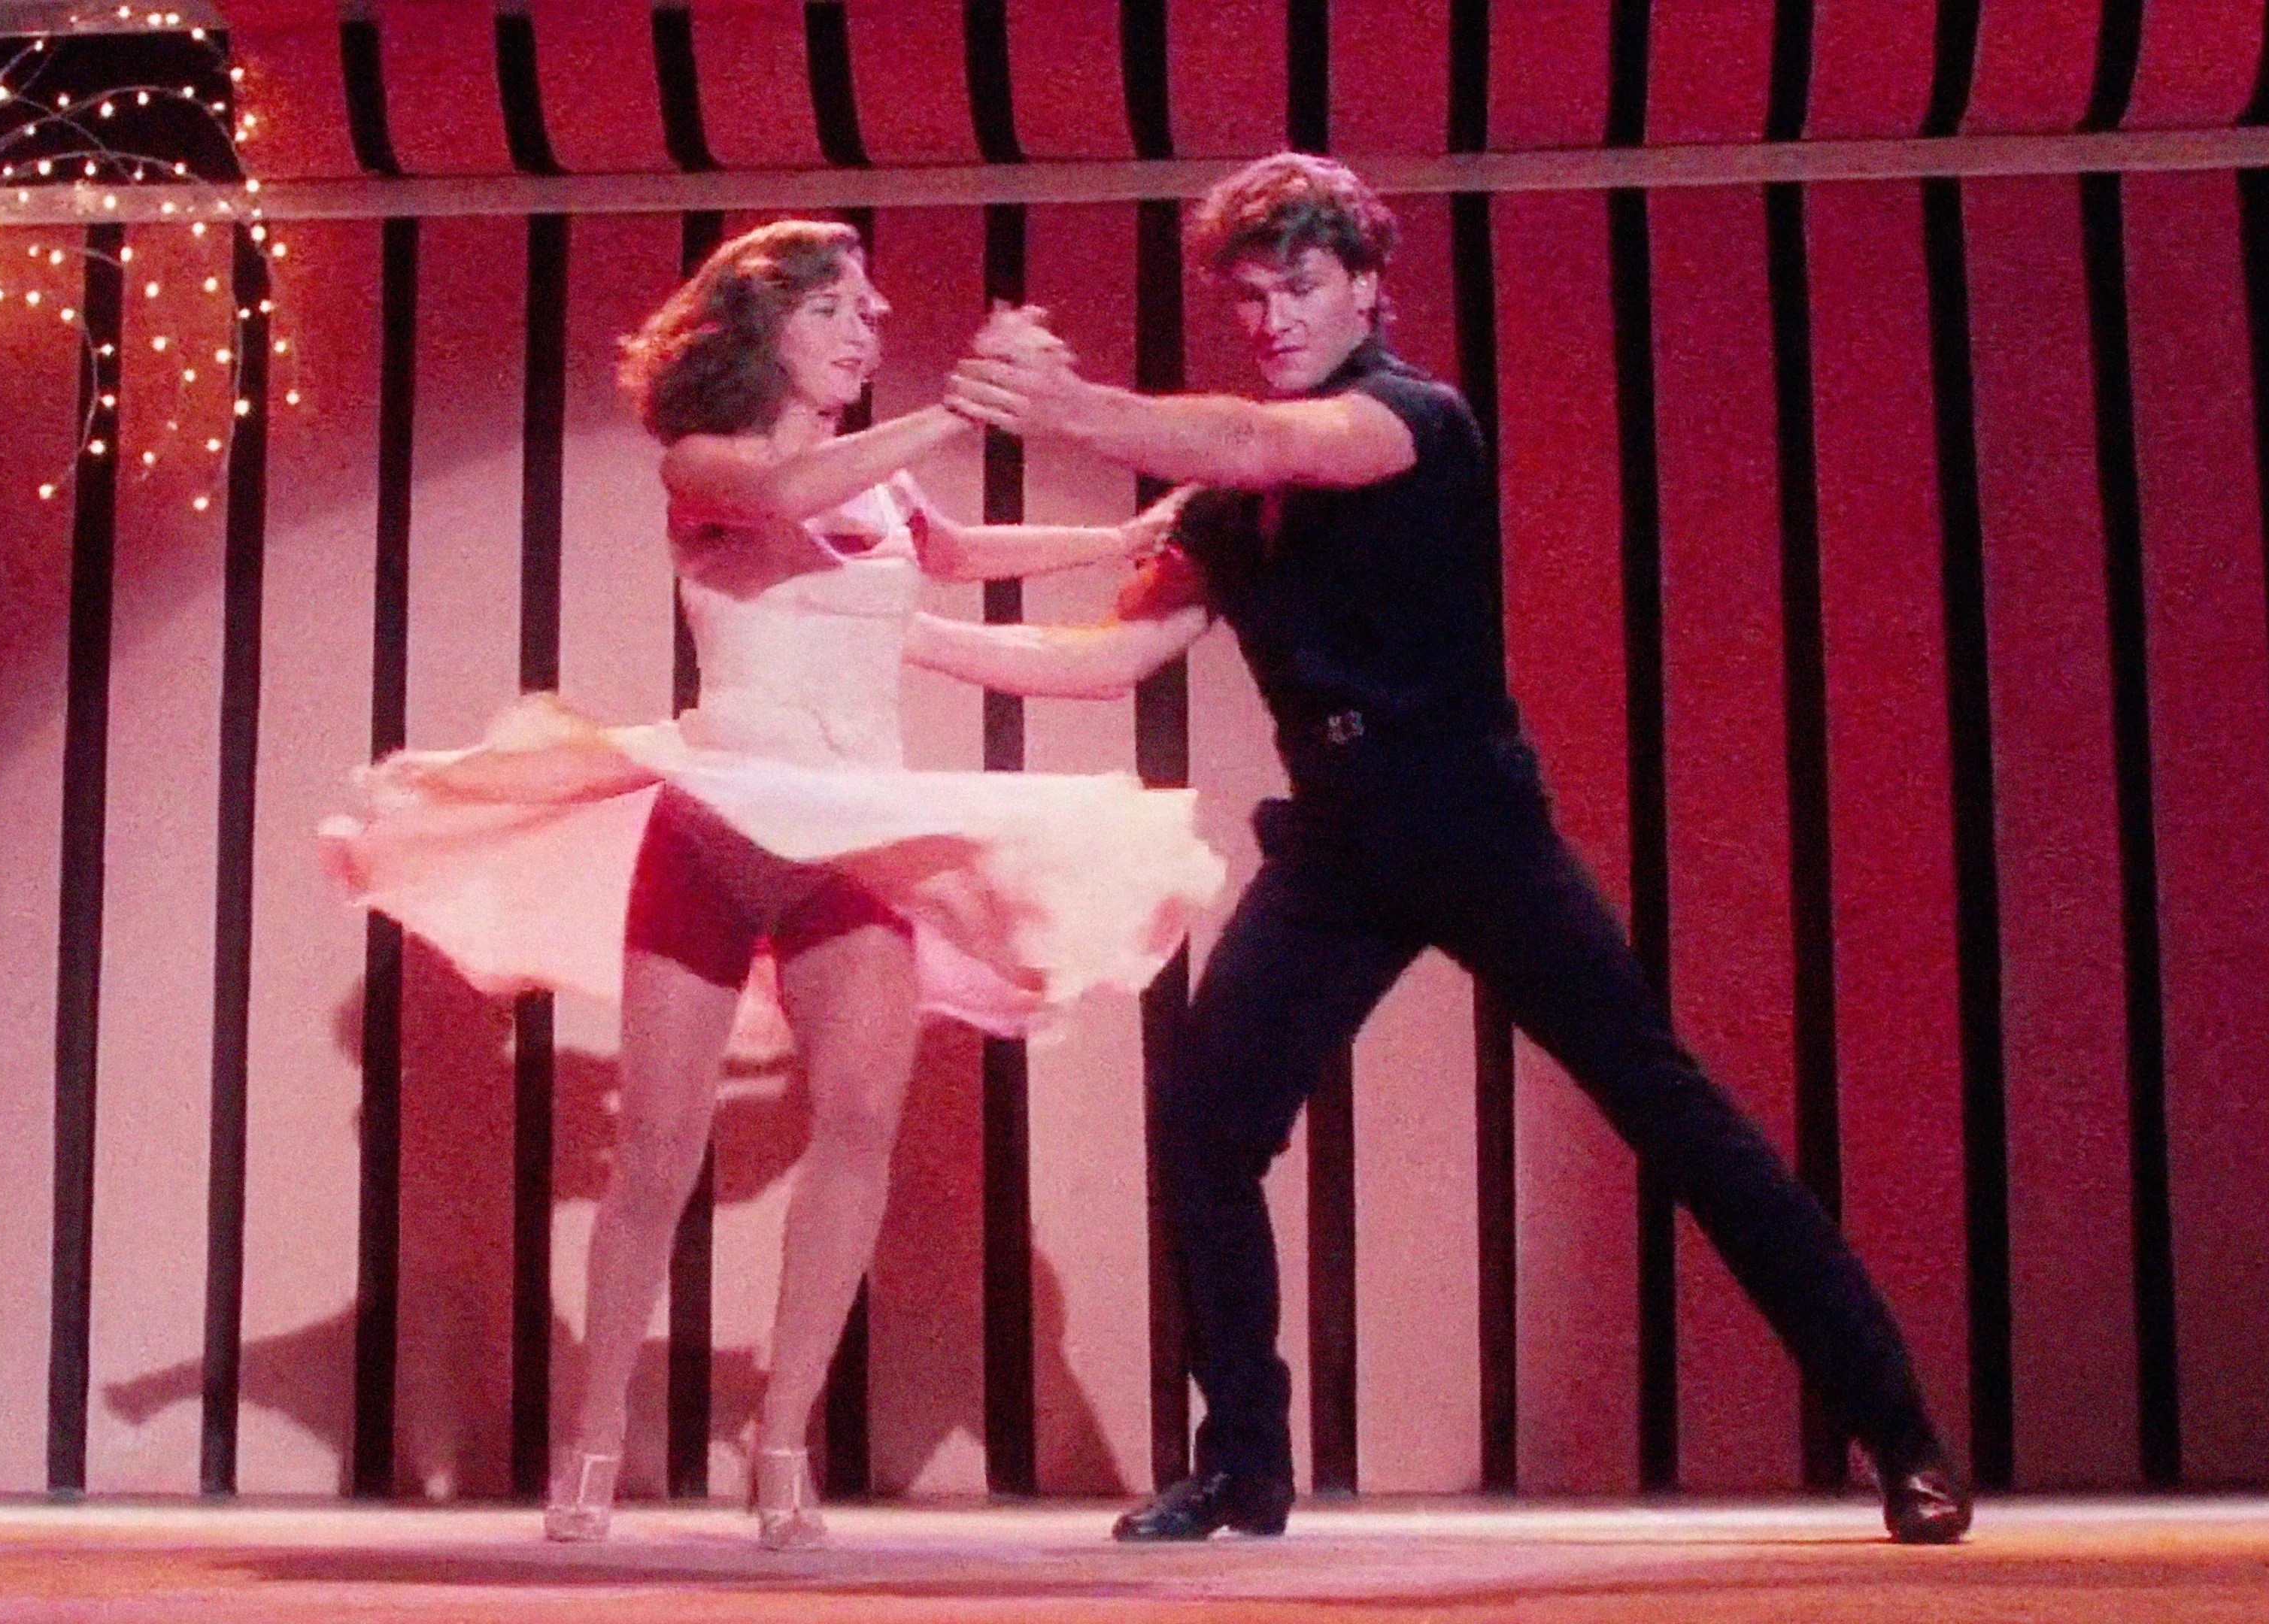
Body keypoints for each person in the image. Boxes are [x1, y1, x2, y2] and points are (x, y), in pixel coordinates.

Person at [922, 153, 1971, 1545]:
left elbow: (1260, 441)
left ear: (1365, 285)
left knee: (1676, 1120)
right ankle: (1243, 1466)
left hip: (1473, 826)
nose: (1272, 318)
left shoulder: (1410, 417)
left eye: (1300, 286)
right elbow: (1110, 655)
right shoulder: (1227, 501)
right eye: (1249, 296)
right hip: (1336, 851)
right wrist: (902, 637)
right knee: (1205, 1129)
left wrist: (1066, 406)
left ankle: (1902, 1440)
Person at [320, 220, 1223, 1550]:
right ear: (763, 327)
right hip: (720, 828)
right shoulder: (706, 462)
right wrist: (961, 406)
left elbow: (952, 552)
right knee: (658, 1153)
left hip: (849, 837)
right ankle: (593, 1434)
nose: (867, 329)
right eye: (836, 309)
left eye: (871, 309)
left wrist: (1122, 537)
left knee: (858, 1125)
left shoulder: (883, 485)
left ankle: (782, 1439)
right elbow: (790, 491)